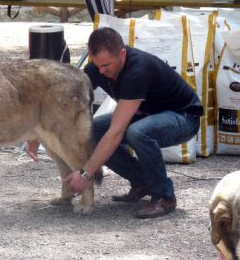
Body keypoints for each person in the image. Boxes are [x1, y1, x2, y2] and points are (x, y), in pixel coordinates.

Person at [62, 27, 202, 219]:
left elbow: (116, 131)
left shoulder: (138, 70)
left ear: (122, 53)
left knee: (137, 132)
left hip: (184, 117)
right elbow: (71, 100)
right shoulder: (97, 68)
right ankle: (142, 181)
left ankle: (164, 196)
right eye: (97, 65)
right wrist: (39, 130)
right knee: (93, 130)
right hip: (145, 114)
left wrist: (86, 174)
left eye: (107, 65)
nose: (101, 71)